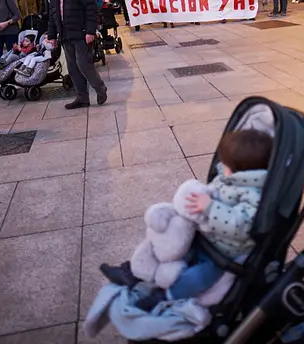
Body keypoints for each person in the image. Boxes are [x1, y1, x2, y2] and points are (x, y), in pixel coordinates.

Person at [100, 129, 273, 310]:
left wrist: (210, 207)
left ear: (242, 171)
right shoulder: (228, 178)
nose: (223, 168)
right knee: (164, 238)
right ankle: (134, 271)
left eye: (227, 165)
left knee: (199, 277)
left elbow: (242, 225)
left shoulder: (253, 194)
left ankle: (165, 296)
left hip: (223, 252)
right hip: (203, 235)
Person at [48, 0, 108, 109]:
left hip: (81, 33)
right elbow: (53, 13)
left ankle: (100, 88)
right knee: (72, 67)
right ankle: (82, 97)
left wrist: (90, 31)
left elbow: (91, 8)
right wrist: (52, 35)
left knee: (84, 64)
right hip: (65, 34)